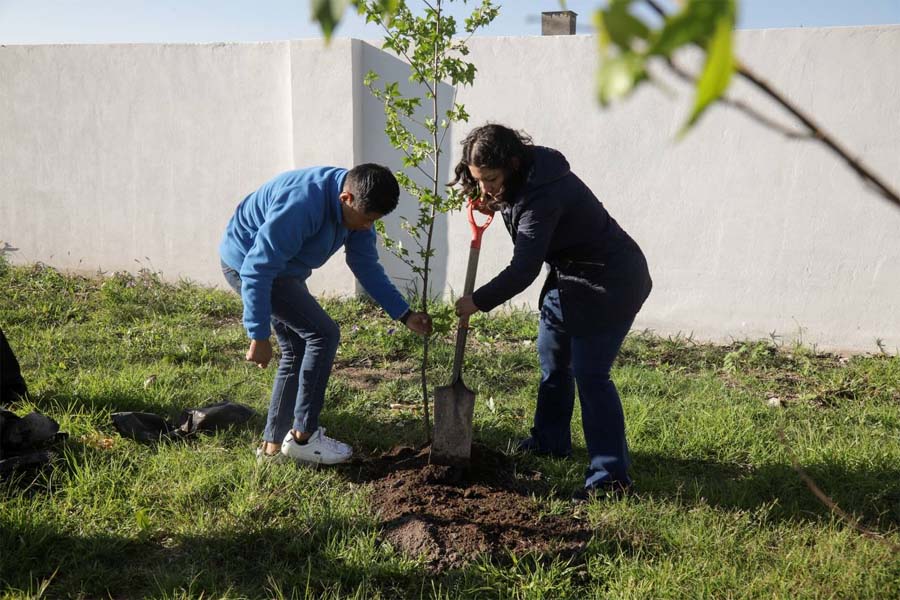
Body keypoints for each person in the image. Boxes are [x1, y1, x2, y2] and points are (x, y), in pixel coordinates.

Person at [451, 124, 652, 497]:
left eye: (491, 180)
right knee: (553, 358)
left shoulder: (543, 195)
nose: (484, 189)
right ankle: (550, 440)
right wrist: (493, 198)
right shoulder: (521, 177)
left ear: (511, 164)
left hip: (613, 281)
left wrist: (477, 301)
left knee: (591, 375)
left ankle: (611, 479)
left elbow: (524, 269)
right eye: (478, 181)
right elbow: (510, 202)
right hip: (569, 277)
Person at [220, 164, 432, 465]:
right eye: (366, 219)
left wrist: (404, 313)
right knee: (322, 333)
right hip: (247, 264)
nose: (367, 227)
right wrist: (258, 334)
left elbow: (366, 266)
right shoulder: (302, 204)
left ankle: (272, 448)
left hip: (283, 269)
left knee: (298, 346)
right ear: (346, 198)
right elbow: (257, 268)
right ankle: (304, 437)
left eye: (374, 221)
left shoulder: (360, 205)